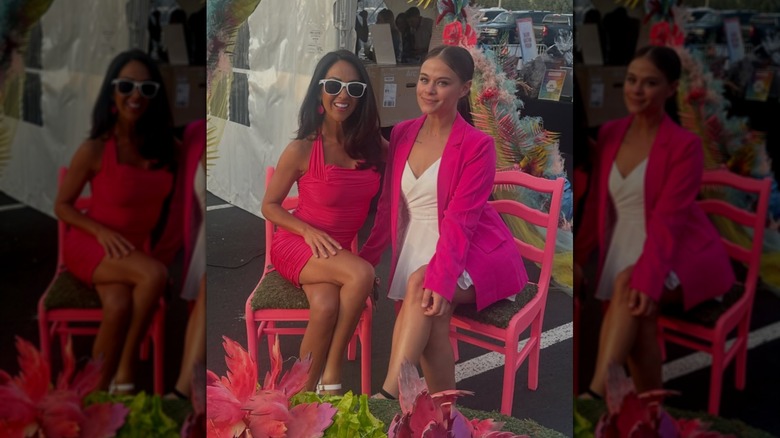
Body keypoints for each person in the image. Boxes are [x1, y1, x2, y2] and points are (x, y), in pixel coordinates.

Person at [360, 45, 528, 399]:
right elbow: (389, 204)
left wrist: (441, 276)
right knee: (432, 319)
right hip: (417, 244)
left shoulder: (477, 145)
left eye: (442, 83)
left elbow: (461, 222)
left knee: (423, 285)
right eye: (424, 80)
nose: (429, 90)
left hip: (473, 254)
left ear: (464, 88)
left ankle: (391, 396)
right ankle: (446, 418)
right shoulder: (403, 132)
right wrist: (368, 259)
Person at [576, 46, 735, 398]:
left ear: (672, 88)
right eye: (632, 80)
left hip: (683, 254)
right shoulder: (610, 134)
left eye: (650, 83)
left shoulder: (685, 146)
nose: (637, 89)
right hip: (625, 246)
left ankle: (596, 396)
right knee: (639, 312)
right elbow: (597, 209)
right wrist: (576, 258)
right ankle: (650, 415)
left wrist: (648, 281)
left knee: (632, 284)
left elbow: (669, 223)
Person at [261, 50, 384, 394]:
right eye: (333, 85)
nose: (343, 95)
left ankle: (298, 396)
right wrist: (307, 230)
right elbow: (269, 206)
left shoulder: (372, 146)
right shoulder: (302, 149)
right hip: (297, 245)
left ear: (362, 98)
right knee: (361, 273)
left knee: (327, 305)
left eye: (354, 89)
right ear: (319, 91)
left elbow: (414, 156)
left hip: (334, 254)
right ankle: (332, 373)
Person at [54, 49, 176, 393]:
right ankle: (125, 370)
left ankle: (90, 394)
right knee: (154, 273)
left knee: (119, 304)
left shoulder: (165, 148)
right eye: (126, 86)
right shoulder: (94, 149)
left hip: (130, 251)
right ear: (112, 91)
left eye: (147, 88)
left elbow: (194, 154)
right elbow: (62, 206)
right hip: (93, 245)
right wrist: (99, 230)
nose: (136, 95)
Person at [153, 119, 206, 401]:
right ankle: (187, 391)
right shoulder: (194, 133)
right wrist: (160, 263)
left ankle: (183, 392)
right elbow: (178, 208)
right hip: (202, 242)